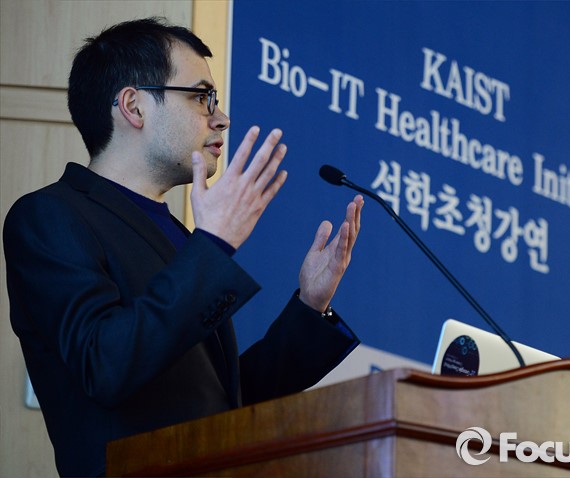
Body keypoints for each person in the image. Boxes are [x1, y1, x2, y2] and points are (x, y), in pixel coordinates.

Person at [3, 17, 363, 477]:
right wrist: (213, 246)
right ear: (134, 106)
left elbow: (228, 406)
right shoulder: (50, 216)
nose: (222, 117)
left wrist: (310, 308)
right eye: (200, 96)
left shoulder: (179, 237)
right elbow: (105, 364)